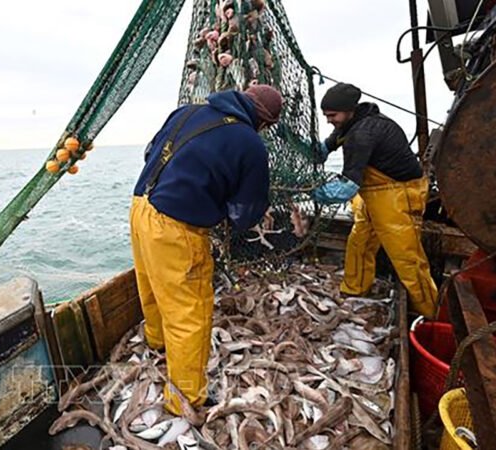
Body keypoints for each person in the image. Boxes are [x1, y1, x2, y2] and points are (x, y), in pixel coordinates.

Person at [130, 84, 282, 415]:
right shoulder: (251, 143)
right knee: (190, 313)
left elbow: (150, 151)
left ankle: (156, 343)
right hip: (176, 227)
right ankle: (185, 400)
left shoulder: (188, 110)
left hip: (141, 206)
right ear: (265, 122)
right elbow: (244, 214)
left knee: (152, 285)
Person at [312, 82, 438, 318]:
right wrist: (288, 136)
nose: (329, 120)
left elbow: (346, 188)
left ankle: (431, 314)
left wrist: (314, 192)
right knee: (360, 242)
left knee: (408, 260)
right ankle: (354, 291)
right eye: (326, 116)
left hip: (399, 195)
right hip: (374, 195)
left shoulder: (363, 133)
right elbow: (321, 152)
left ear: (349, 109)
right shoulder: (348, 125)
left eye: (332, 115)